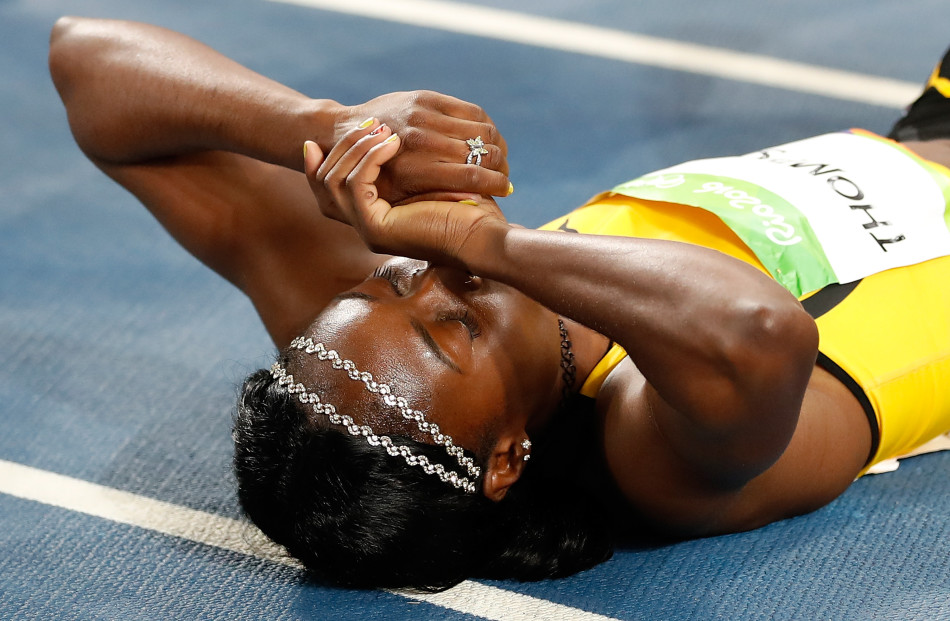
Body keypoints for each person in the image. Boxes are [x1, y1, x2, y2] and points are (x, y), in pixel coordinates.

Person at [50, 17, 950, 591]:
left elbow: (85, 59)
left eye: (387, 278)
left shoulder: (367, 353)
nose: (425, 270)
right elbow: (758, 326)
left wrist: (321, 127)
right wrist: (486, 241)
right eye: (454, 327)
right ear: (508, 457)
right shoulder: (651, 448)